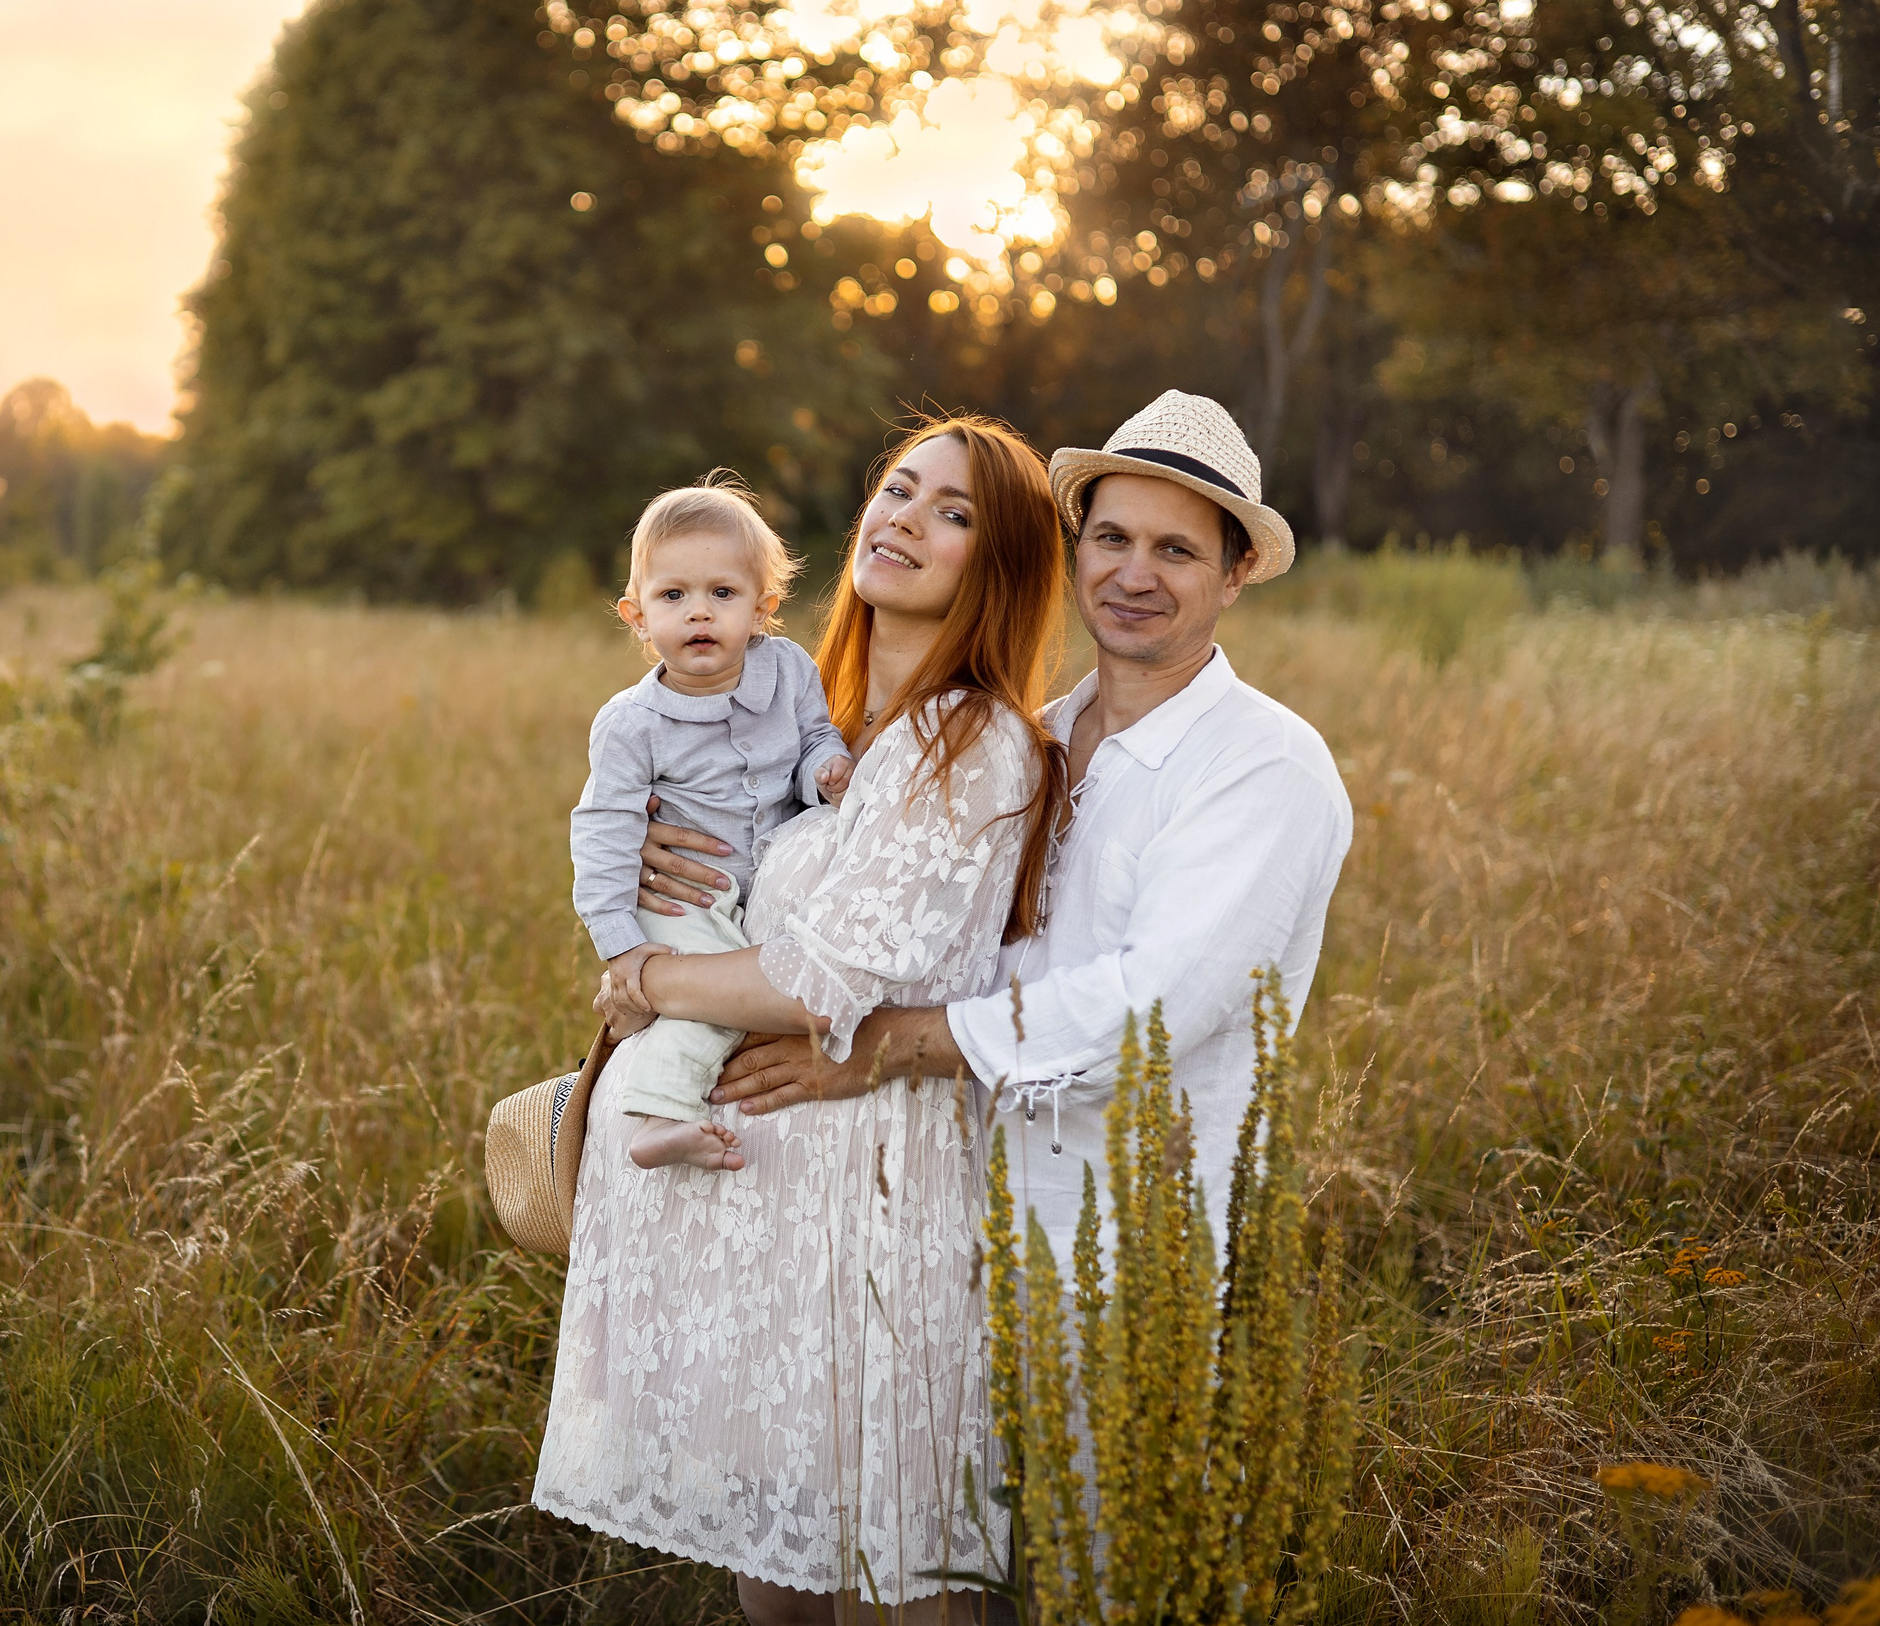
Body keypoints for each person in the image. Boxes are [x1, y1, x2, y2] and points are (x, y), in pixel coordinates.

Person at [534, 415, 1068, 1622]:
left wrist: (647, 978)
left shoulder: (969, 737)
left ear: (999, 565)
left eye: (954, 512)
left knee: (895, 1584)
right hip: (756, 1229)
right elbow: (686, 861)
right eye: (898, 488)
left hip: (869, 1215)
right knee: (776, 1594)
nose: (906, 520)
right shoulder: (797, 714)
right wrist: (668, 879)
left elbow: (818, 983)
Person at [661, 388, 1353, 1314]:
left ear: (1235, 573)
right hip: (956, 1226)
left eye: (1176, 550)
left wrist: (897, 1044)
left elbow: (1154, 1005)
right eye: (1113, 539)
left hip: (1128, 1247)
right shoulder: (1044, 738)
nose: (1134, 573)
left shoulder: (1262, 765)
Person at [569, 476, 855, 1174]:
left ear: (763, 607)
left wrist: (827, 771)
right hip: (682, 898)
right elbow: (603, 833)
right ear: (636, 616)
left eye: (722, 594)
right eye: (673, 596)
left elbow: (813, 737)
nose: (699, 613)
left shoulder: (788, 671)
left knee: (749, 985)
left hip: (757, 892)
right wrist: (622, 947)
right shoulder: (631, 724)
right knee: (719, 999)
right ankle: (661, 1113)